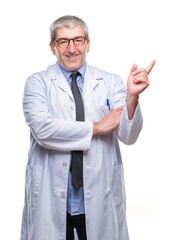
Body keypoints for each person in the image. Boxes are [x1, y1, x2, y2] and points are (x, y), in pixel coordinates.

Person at [20, 15, 155, 240]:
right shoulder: (37, 83)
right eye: (63, 41)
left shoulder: (111, 83)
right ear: (53, 46)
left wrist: (132, 98)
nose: (72, 48)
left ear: (88, 44)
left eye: (78, 40)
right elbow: (44, 130)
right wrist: (97, 127)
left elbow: (128, 135)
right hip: (50, 198)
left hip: (99, 195)